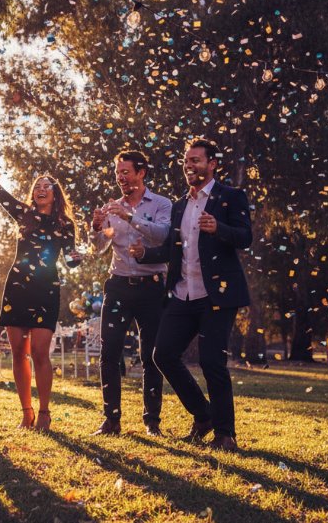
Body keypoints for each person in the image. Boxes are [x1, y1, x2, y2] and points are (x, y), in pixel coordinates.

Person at [129, 138, 253, 451]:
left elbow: (245, 237)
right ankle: (203, 415)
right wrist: (145, 254)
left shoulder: (231, 196)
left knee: (212, 362)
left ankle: (226, 435)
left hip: (217, 295)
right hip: (183, 293)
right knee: (163, 355)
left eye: (196, 160)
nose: (190, 166)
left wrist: (219, 229)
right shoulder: (180, 206)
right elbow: (173, 248)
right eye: (187, 161)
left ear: (212, 164)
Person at [0, 142, 82, 431]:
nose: (41, 188)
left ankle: (45, 412)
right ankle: (26, 411)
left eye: (47, 185)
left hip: (46, 288)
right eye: (37, 185)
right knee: (17, 352)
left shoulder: (65, 224)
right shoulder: (23, 214)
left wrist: (77, 255)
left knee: (39, 351)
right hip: (17, 288)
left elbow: (71, 262)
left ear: (55, 193)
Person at [89, 150, 172, 436]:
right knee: (109, 352)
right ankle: (111, 420)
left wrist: (130, 216)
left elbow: (162, 235)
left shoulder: (162, 204)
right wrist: (96, 228)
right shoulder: (110, 207)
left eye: (126, 172)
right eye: (118, 173)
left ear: (141, 173)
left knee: (151, 355)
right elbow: (99, 248)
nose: (121, 178)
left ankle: (152, 422)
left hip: (152, 288)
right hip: (118, 285)